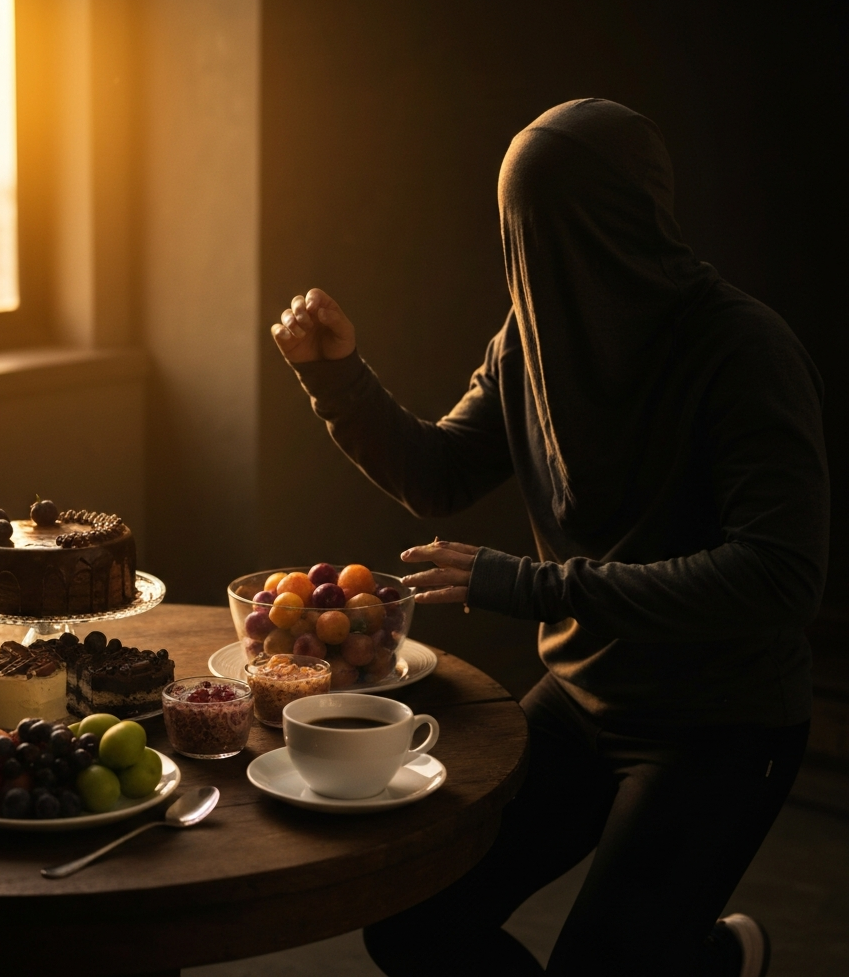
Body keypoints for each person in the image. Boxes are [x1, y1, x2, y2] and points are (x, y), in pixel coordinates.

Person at [269, 99, 828, 977]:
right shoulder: (530, 339)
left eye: (551, 232)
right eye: (520, 234)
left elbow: (778, 577)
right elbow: (442, 475)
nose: (532, 259)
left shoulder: (743, 349)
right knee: (411, 919)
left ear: (621, 225)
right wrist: (337, 378)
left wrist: (532, 586)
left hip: (719, 719)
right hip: (580, 698)